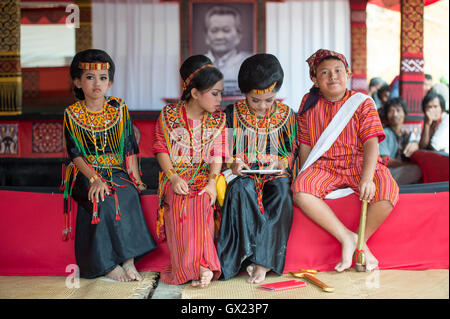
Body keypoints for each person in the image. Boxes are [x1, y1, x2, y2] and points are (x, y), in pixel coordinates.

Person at [292, 49, 399, 273]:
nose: (333, 77)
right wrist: (303, 172)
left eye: (338, 70)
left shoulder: (362, 102)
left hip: (360, 163)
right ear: (314, 79)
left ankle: (359, 243)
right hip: (326, 165)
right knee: (301, 190)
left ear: (348, 73)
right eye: (325, 73)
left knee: (387, 191)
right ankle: (348, 238)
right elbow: (306, 145)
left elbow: (371, 143)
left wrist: (368, 179)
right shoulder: (308, 104)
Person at [62, 49, 157, 282]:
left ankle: (129, 260)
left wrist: (135, 179)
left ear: (110, 82)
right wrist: (94, 179)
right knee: (102, 197)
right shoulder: (71, 114)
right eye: (90, 77)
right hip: (84, 172)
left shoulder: (120, 108)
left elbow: (129, 147)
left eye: (103, 78)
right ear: (77, 81)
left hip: (116, 171)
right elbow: (75, 154)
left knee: (127, 193)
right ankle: (106, 265)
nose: (97, 83)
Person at [216, 53, 297, 284]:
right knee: (241, 189)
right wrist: (233, 162)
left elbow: (293, 153)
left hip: (274, 175)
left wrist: (282, 163)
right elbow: (224, 153)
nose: (263, 106)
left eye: (269, 100)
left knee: (282, 192)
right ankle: (242, 257)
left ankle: (263, 261)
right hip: (243, 174)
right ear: (245, 94)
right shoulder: (231, 114)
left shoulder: (287, 116)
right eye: (255, 100)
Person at [153, 55, 227, 287]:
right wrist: (173, 177)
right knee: (180, 203)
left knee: (203, 202)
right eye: (214, 93)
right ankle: (196, 269)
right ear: (195, 93)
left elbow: (218, 155)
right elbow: (160, 148)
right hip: (176, 177)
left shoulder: (220, 119)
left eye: (220, 93)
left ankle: (204, 266)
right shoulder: (168, 115)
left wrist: (212, 182)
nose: (220, 99)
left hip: (207, 178)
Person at [203, 5, 252, 96]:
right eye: (214, 30)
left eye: (226, 30)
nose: (219, 36)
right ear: (206, 36)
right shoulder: (198, 64)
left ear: (239, 35)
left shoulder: (250, 62)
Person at [378, 97, 422, 185]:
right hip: (385, 173)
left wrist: (415, 144)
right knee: (416, 170)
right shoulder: (383, 132)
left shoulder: (406, 133)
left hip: (399, 170)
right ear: (387, 115)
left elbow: (416, 144)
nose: (395, 114)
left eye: (398, 110)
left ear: (404, 114)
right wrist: (406, 165)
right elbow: (384, 160)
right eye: (391, 111)